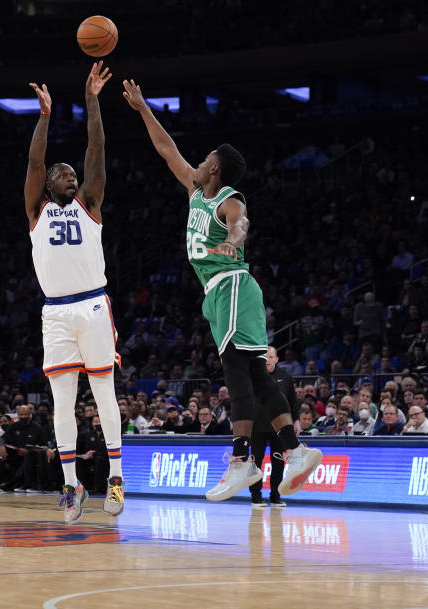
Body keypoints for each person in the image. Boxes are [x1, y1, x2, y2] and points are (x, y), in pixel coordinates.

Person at [122, 78, 321, 502]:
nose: (196, 161)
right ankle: (296, 452)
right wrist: (142, 108)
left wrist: (234, 240)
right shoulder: (196, 191)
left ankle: (241, 461)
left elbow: (241, 221)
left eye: (205, 157)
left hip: (232, 285)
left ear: (215, 167)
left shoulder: (228, 198)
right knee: (252, 373)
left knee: (236, 372)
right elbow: (165, 149)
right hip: (220, 292)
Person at [25, 62, 123, 522]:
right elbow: (34, 162)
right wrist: (45, 116)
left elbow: (96, 147)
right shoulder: (37, 210)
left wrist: (92, 99)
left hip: (92, 304)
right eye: (62, 174)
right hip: (56, 313)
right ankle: (71, 486)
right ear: (47, 185)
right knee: (62, 401)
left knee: (103, 392)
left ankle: (117, 479)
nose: (69, 176)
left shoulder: (90, 203)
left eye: (72, 173)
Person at [249, 347, 295, 508]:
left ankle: (275, 496)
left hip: (279, 427)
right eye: (264, 357)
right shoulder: (254, 376)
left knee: (278, 463)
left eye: (270, 357)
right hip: (256, 427)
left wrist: (294, 421)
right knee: (256, 463)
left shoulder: (285, 377)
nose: (267, 360)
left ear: (276, 359)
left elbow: (292, 401)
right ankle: (256, 496)